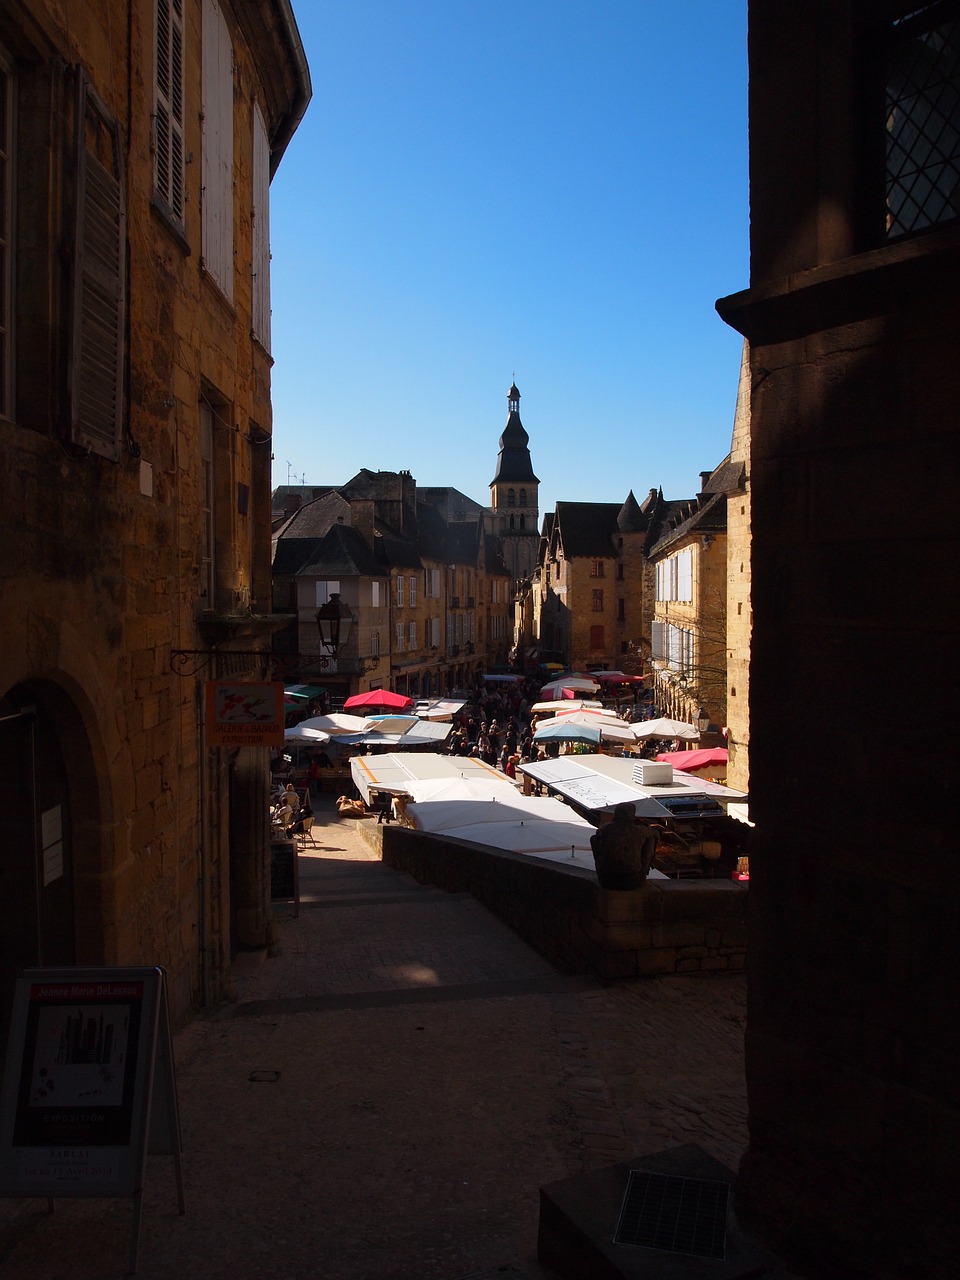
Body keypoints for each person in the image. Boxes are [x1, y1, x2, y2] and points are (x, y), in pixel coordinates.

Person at [589, 803, 657, 889]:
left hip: (606, 880)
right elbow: (655, 834)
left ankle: (601, 868)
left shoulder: (606, 828)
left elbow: (598, 835)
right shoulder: (638, 831)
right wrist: (652, 858)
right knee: (650, 838)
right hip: (633, 881)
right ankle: (644, 871)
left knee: (594, 839)